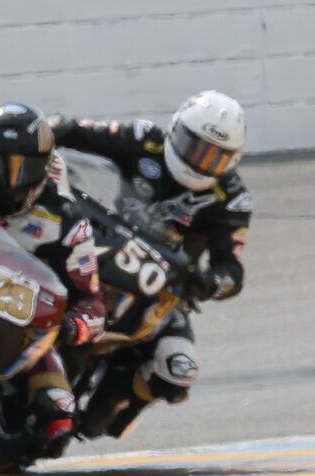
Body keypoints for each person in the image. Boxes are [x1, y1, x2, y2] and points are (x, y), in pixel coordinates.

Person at [46, 91, 252, 437]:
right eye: (194, 146)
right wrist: (45, 132)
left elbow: (231, 270)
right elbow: (75, 131)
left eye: (215, 157)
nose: (200, 161)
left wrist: (210, 283)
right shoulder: (145, 140)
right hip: (102, 248)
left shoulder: (230, 199)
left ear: (232, 161)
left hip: (164, 290)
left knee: (178, 368)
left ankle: (120, 397)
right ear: (175, 131)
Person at [0, 102, 107, 449]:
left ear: (44, 166)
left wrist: (75, 325)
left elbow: (93, 303)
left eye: (22, 167)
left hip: (11, 317)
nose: (8, 179)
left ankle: (3, 435)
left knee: (59, 415)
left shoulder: (66, 220)